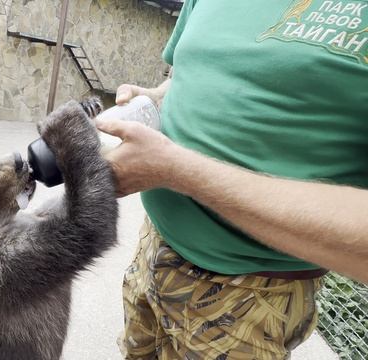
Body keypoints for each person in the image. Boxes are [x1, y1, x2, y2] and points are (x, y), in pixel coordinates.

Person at [97, 0, 367, 358]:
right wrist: (154, 100)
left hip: (251, 294)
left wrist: (177, 171)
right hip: (153, 248)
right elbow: (179, 76)